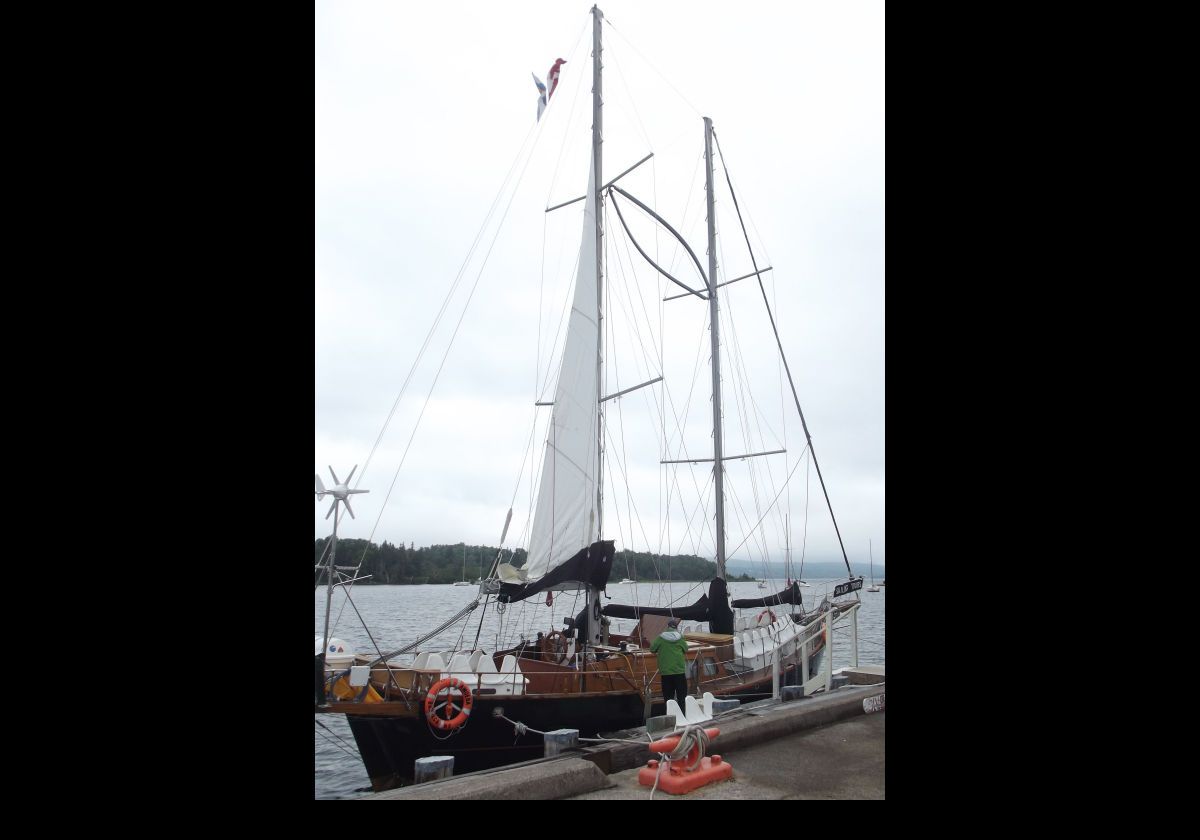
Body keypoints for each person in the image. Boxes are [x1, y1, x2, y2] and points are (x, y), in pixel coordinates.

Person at [651, 617, 689, 712]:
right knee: (681, 697)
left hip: (666, 673)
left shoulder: (661, 637)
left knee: (668, 698)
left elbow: (652, 649)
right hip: (679, 671)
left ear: (667, 627)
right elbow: (686, 649)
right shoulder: (680, 637)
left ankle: (670, 717)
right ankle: (683, 715)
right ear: (676, 627)